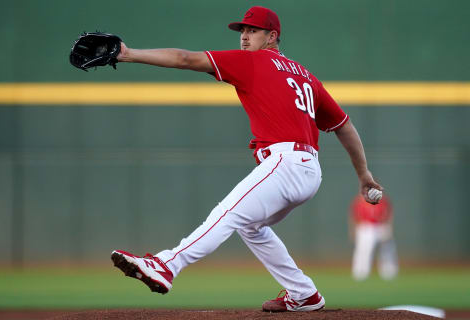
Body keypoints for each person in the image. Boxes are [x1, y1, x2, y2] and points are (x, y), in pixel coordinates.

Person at [111, 6, 383, 312]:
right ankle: (303, 293)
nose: (244, 37)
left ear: (272, 36)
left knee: (228, 212)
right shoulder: (306, 76)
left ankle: (166, 264)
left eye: (252, 31)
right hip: (308, 172)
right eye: (242, 31)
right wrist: (364, 175)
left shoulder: (253, 62)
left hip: (285, 164)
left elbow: (185, 59)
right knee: (251, 226)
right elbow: (343, 125)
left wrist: (129, 54)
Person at [349, 194, 398, 281]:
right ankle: (360, 273)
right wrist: (353, 229)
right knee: (363, 250)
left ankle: (389, 272)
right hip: (366, 227)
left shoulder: (383, 200)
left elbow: (389, 214)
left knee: (387, 249)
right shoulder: (360, 200)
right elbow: (353, 216)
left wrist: (389, 227)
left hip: (380, 226)